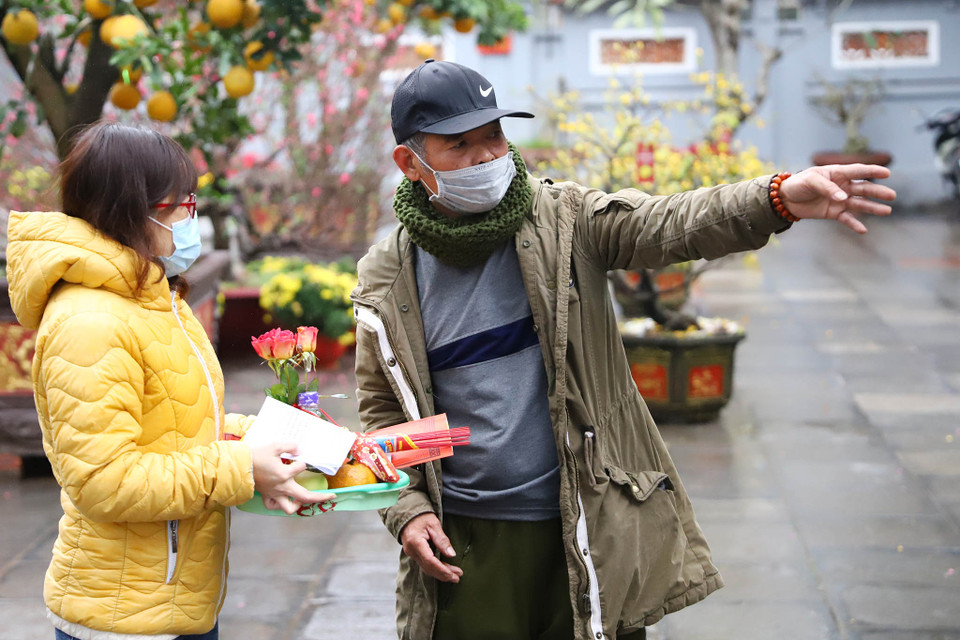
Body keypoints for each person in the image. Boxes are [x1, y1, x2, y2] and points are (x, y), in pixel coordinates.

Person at [351, 60, 897, 640]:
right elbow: (383, 413)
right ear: (411, 162)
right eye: (460, 144)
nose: (487, 157)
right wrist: (407, 510)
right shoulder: (387, 277)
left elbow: (667, 223)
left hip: (587, 520)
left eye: (495, 135)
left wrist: (777, 198)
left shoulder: (565, 220)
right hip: (466, 540)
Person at [5, 122, 333, 640]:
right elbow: (104, 481)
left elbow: (177, 422)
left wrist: (274, 437)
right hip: (124, 618)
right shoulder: (90, 321)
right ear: (133, 210)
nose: (190, 217)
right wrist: (242, 465)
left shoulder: (151, 296)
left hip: (173, 600)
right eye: (183, 203)